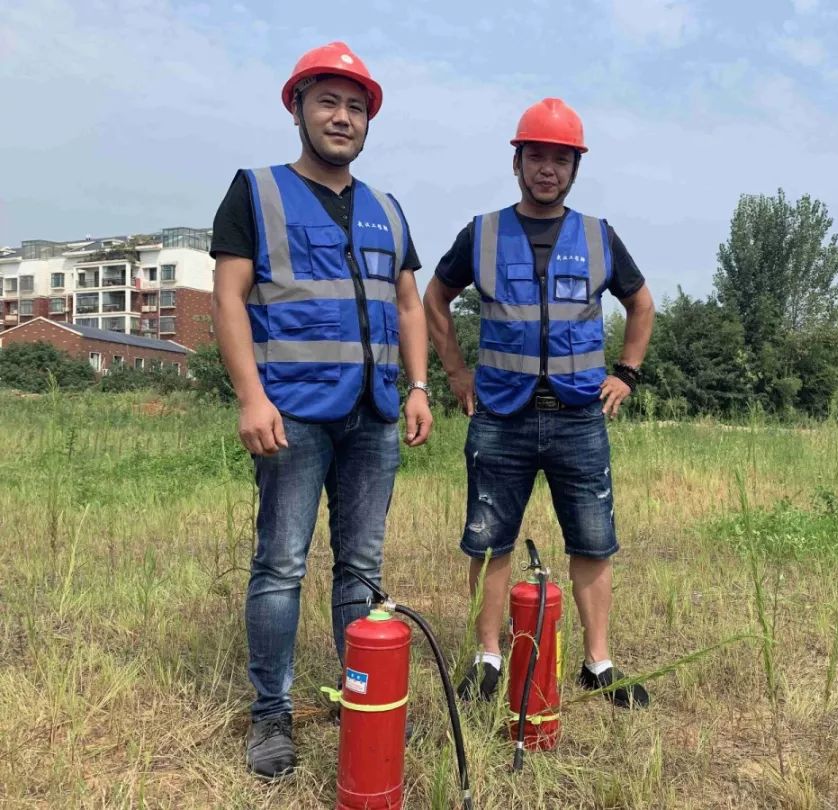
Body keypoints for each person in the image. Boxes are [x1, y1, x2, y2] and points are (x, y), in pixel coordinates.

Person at [210, 41, 432, 779]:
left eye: (356, 107)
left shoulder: (387, 209)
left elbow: (408, 306)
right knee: (280, 566)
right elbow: (229, 299)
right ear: (298, 107)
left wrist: (420, 388)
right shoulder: (256, 191)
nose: (343, 117)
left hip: (372, 416)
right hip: (292, 415)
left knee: (361, 568)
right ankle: (270, 715)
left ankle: (360, 699)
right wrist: (250, 396)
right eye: (329, 102)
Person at [424, 97, 656, 710]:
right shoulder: (483, 233)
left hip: (580, 417)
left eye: (560, 158)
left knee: (593, 541)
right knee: (489, 540)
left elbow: (642, 305)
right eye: (536, 157)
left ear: (574, 167)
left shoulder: (599, 236)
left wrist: (627, 372)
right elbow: (434, 299)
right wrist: (455, 374)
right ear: (517, 162)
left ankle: (598, 663)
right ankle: (487, 657)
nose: (547, 168)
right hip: (500, 414)